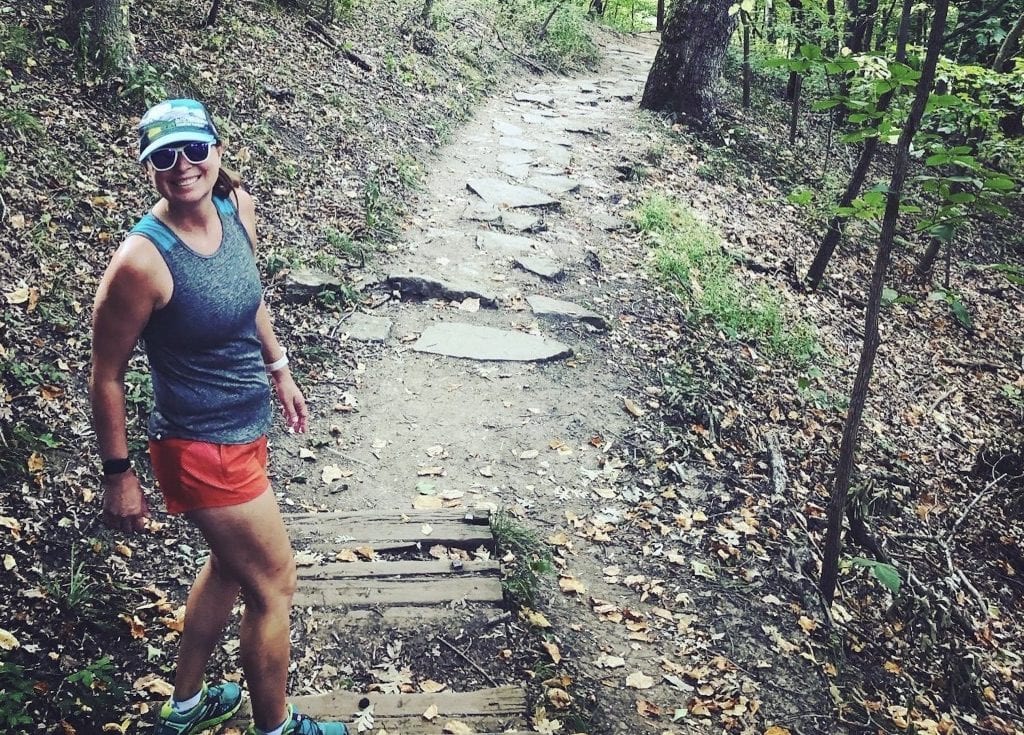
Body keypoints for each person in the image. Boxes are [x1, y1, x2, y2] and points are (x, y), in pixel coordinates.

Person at [89, 98, 347, 735]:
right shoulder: (142, 262)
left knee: (232, 568)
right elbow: (106, 374)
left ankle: (185, 706)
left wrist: (279, 367)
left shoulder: (236, 210)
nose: (182, 166)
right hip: (201, 448)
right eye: (164, 156)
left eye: (194, 150)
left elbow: (247, 297)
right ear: (149, 167)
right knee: (274, 584)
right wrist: (119, 474)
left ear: (216, 150)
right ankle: (276, 727)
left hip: (244, 429)